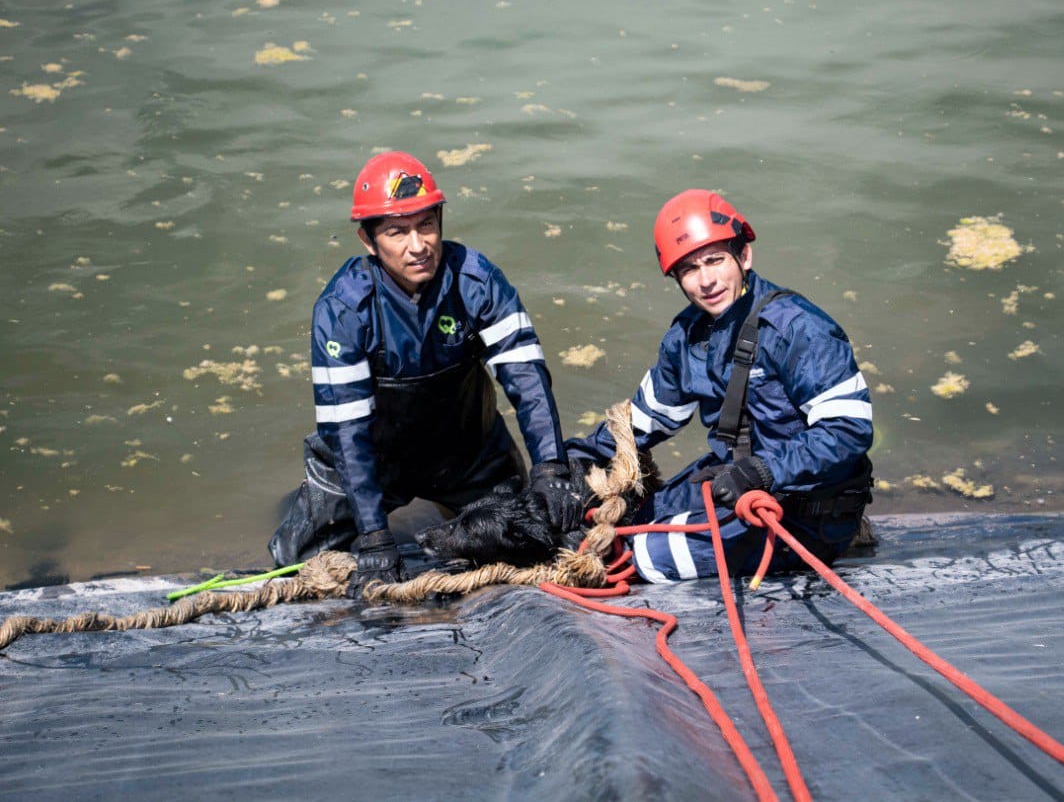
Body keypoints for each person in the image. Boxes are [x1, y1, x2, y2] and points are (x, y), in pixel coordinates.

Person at [270, 150, 582, 596]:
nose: (418, 245)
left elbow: (527, 380)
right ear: (367, 239)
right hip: (372, 464)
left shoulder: (477, 280)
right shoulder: (342, 309)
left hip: (468, 456)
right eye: (397, 231)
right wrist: (375, 536)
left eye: (427, 225)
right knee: (291, 567)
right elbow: (347, 432)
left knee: (534, 544)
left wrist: (551, 470)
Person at [567, 189, 874, 582]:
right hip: (734, 480)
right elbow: (644, 422)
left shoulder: (800, 329)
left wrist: (764, 471)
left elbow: (848, 433)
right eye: (690, 270)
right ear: (677, 279)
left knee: (629, 557)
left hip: (802, 512)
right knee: (625, 521)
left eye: (715, 260)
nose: (707, 280)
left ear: (743, 256)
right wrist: (570, 463)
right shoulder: (687, 335)